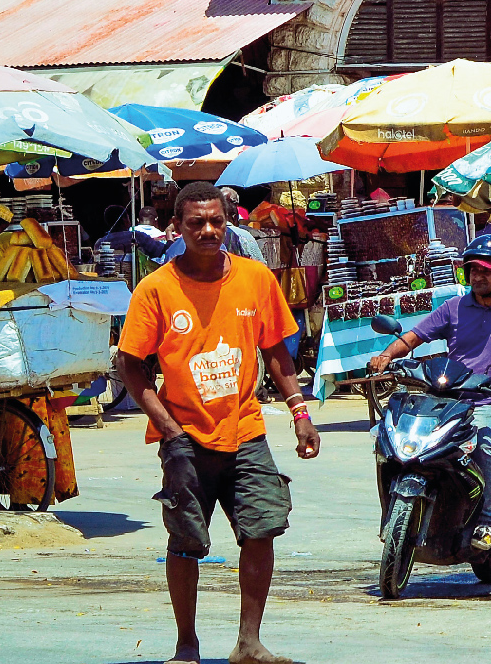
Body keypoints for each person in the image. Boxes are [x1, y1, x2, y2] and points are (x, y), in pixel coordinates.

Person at [116, 180, 319, 664]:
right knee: (186, 540)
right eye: (196, 223)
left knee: (263, 529)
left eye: (215, 221)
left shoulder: (255, 278)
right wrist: (167, 427)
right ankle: (187, 644)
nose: (208, 231)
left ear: (226, 222)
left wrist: (300, 412)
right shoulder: (156, 289)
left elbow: (275, 351)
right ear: (178, 228)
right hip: (185, 436)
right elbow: (130, 364)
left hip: (246, 430)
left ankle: (249, 643)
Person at [365, 233, 491, 548]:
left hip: (490, 400)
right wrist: (387, 356)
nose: (478, 276)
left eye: (486, 270)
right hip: (448, 396)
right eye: (473, 269)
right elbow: (415, 336)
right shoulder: (454, 307)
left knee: (484, 442)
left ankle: (489, 520)